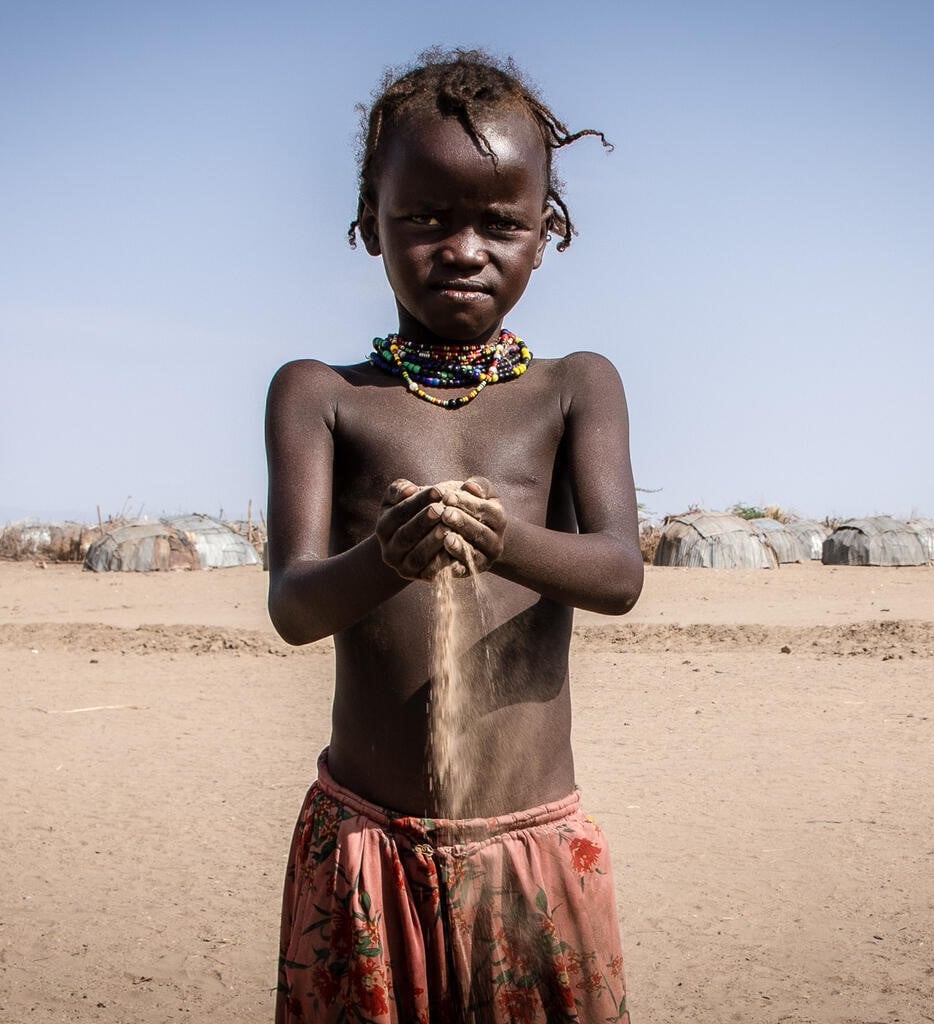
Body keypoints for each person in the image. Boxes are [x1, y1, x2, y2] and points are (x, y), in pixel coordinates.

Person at [266, 48, 641, 1023]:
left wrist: (501, 540)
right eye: (425, 219)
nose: (464, 248)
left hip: (528, 851)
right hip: (365, 848)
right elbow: (294, 603)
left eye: (499, 222)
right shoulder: (322, 396)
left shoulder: (574, 388)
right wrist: (384, 558)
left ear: (546, 231)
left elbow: (616, 572)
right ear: (368, 226)